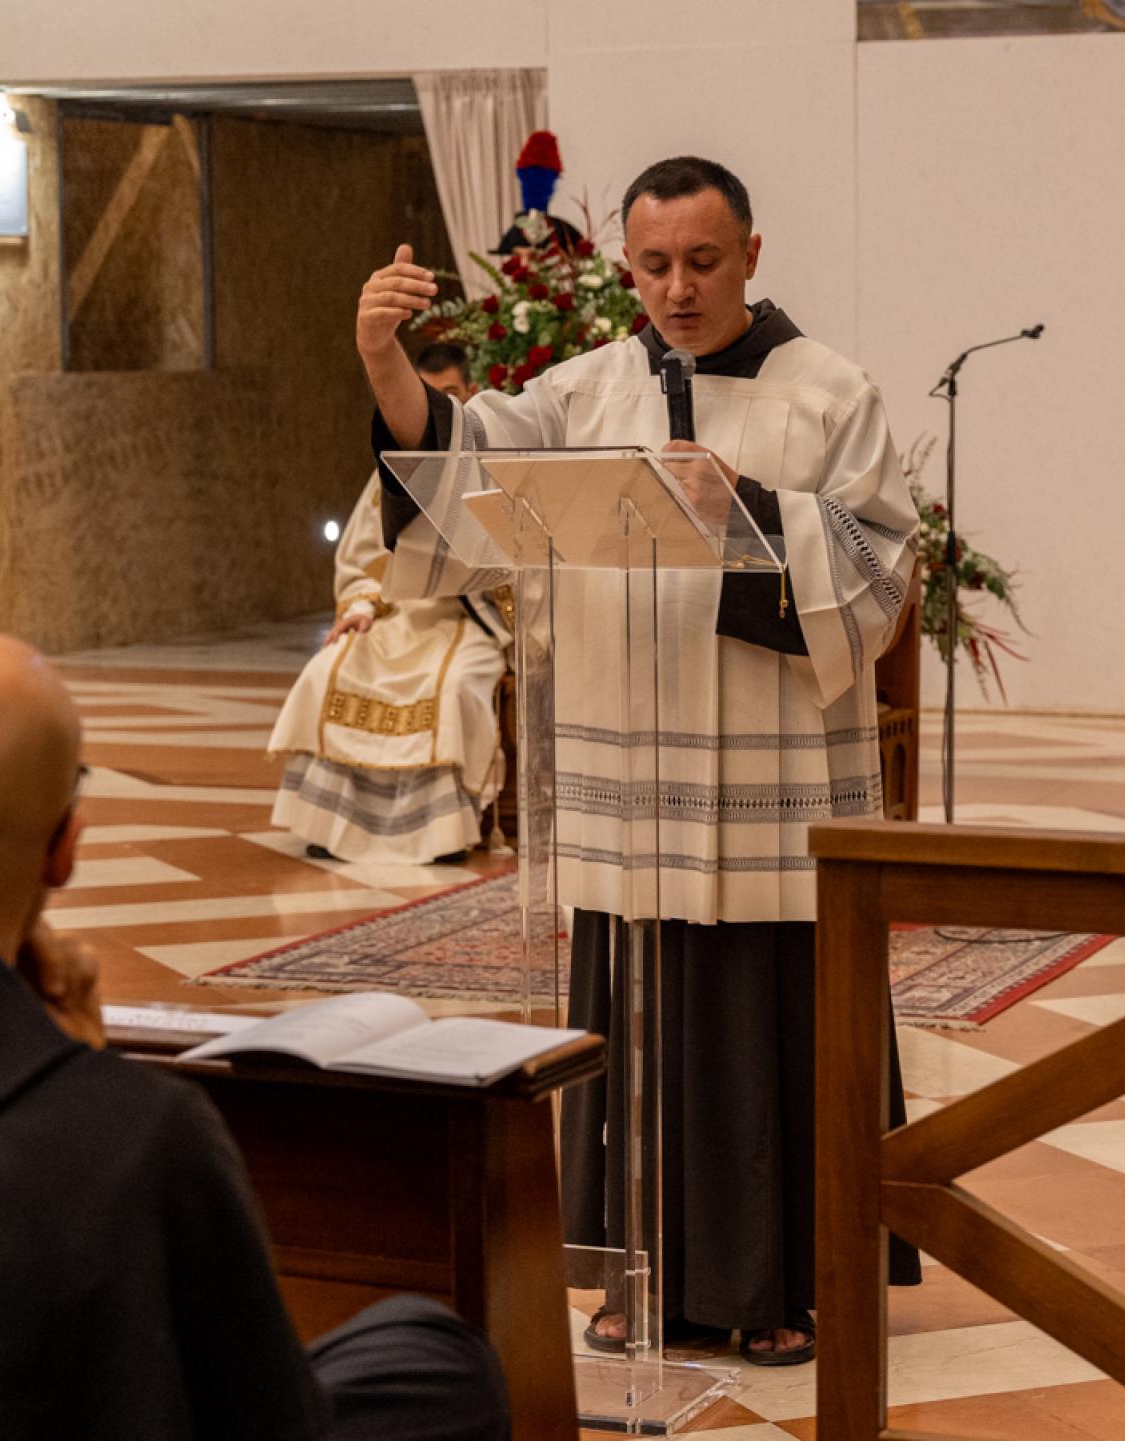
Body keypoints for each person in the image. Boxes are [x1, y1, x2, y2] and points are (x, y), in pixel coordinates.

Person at [355, 155, 922, 1365]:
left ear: (752, 254)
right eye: (655, 265)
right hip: (629, 799)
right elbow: (461, 468)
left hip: (773, 796)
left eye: (704, 262)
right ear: (628, 266)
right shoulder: (584, 392)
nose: (678, 289)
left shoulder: (831, 393)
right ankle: (632, 1277)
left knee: (764, 1039)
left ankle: (780, 1283)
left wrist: (747, 509)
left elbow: (881, 569)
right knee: (638, 1041)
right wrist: (386, 366)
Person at [0, 630, 509, 1441]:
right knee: (434, 1358)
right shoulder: (140, 1138)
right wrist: (87, 1080)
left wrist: (68, 1077)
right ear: (64, 849)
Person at [269, 344, 509, 865]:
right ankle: (333, 825)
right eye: (425, 398)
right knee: (328, 669)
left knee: (453, 687)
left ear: (471, 392)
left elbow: (518, 563)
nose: (435, 412)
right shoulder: (393, 473)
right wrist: (360, 608)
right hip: (396, 618)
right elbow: (362, 561)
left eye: (448, 396)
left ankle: (441, 834)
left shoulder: (495, 463)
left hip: (468, 622)